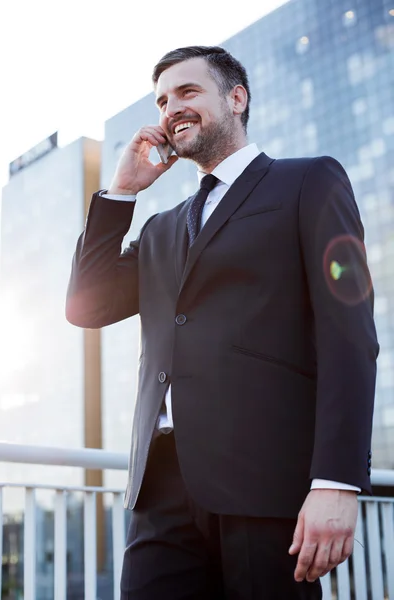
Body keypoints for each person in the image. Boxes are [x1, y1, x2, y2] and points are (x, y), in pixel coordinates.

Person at [66, 46, 379, 599]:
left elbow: (348, 335)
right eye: (162, 100)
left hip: (266, 485)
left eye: (188, 92)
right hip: (160, 491)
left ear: (237, 99)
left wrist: (336, 479)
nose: (170, 109)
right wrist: (122, 193)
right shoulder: (162, 229)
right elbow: (86, 306)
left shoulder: (308, 183)